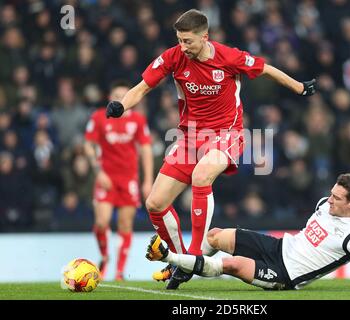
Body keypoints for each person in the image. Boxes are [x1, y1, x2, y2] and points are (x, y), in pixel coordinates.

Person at [105, 9, 316, 289]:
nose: (183, 47)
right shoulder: (173, 57)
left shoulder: (229, 57)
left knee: (201, 176)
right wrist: (122, 105)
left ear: (205, 37)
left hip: (227, 133)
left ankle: (194, 254)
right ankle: (179, 261)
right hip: (191, 138)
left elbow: (265, 68)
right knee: (154, 204)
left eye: (188, 41)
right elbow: (142, 87)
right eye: (179, 40)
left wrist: (299, 87)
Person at [147, 173, 350, 291]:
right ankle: (182, 269)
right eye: (331, 193)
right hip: (278, 247)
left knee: (232, 264)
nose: (329, 200)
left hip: (286, 274)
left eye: (336, 198)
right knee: (215, 235)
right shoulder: (323, 204)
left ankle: (171, 259)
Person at [84, 80, 153, 281]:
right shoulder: (99, 117)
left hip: (129, 179)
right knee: (101, 221)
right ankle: (105, 256)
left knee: (125, 224)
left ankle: (120, 272)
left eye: (125, 95)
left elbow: (146, 149)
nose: (121, 98)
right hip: (106, 177)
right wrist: (98, 172)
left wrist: (147, 180)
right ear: (110, 98)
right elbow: (89, 145)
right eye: (117, 94)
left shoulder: (138, 121)